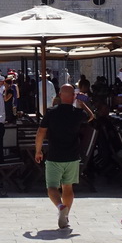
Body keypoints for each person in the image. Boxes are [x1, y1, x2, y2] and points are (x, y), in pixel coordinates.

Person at [35, 84, 94, 229]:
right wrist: (82, 104)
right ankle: (66, 217)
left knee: (52, 187)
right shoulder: (78, 113)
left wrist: (38, 150)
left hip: (55, 155)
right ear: (73, 96)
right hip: (72, 156)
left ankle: (61, 207)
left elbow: (41, 132)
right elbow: (92, 117)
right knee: (68, 187)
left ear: (60, 95)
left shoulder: (51, 112)